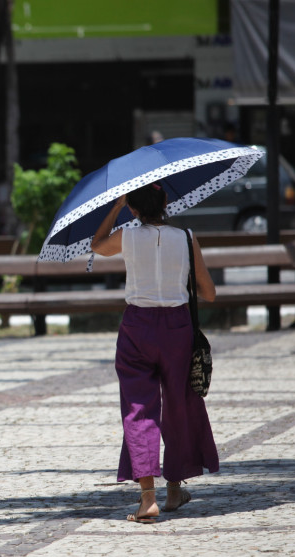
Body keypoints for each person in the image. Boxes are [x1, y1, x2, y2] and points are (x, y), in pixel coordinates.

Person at [90, 182, 219, 523]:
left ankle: (148, 498)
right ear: (166, 202)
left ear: (133, 209)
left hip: (137, 328)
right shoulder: (187, 238)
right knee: (178, 404)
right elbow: (209, 293)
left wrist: (116, 206)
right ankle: (174, 489)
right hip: (178, 328)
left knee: (139, 408)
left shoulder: (127, 236)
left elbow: (96, 245)